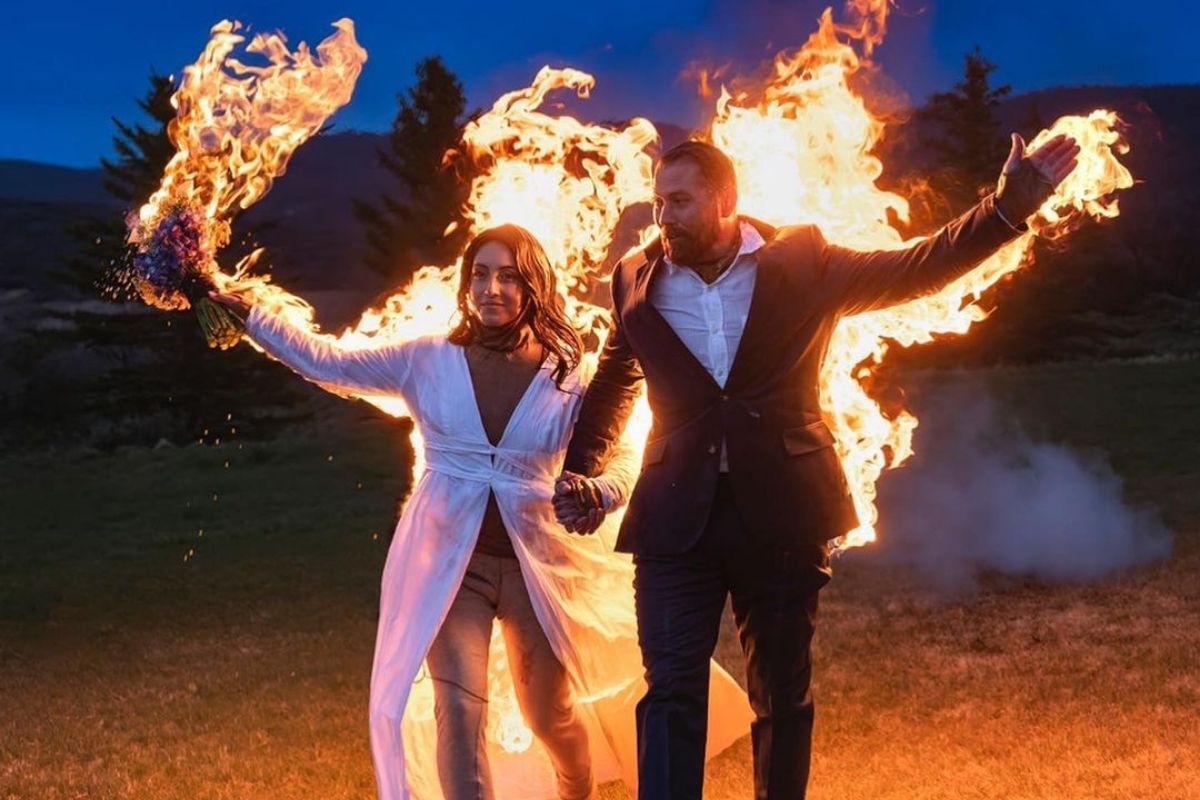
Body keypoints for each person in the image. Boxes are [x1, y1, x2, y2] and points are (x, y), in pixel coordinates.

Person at [555, 133, 1080, 799]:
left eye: (680, 202)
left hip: (782, 513)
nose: (665, 218)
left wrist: (1004, 211)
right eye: (658, 203)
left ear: (725, 199)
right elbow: (614, 381)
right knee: (669, 694)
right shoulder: (635, 276)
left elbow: (915, 268)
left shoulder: (803, 262)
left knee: (781, 694)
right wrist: (582, 467)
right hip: (673, 520)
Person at [211, 224, 752, 800]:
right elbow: (328, 362)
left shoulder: (569, 375)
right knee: (459, 708)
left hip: (535, 568)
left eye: (509, 277)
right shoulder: (426, 358)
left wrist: (602, 491)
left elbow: (618, 449)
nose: (492, 289)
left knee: (548, 711)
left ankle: (576, 788)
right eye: (481, 275)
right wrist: (252, 318)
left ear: (534, 286)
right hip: (449, 565)